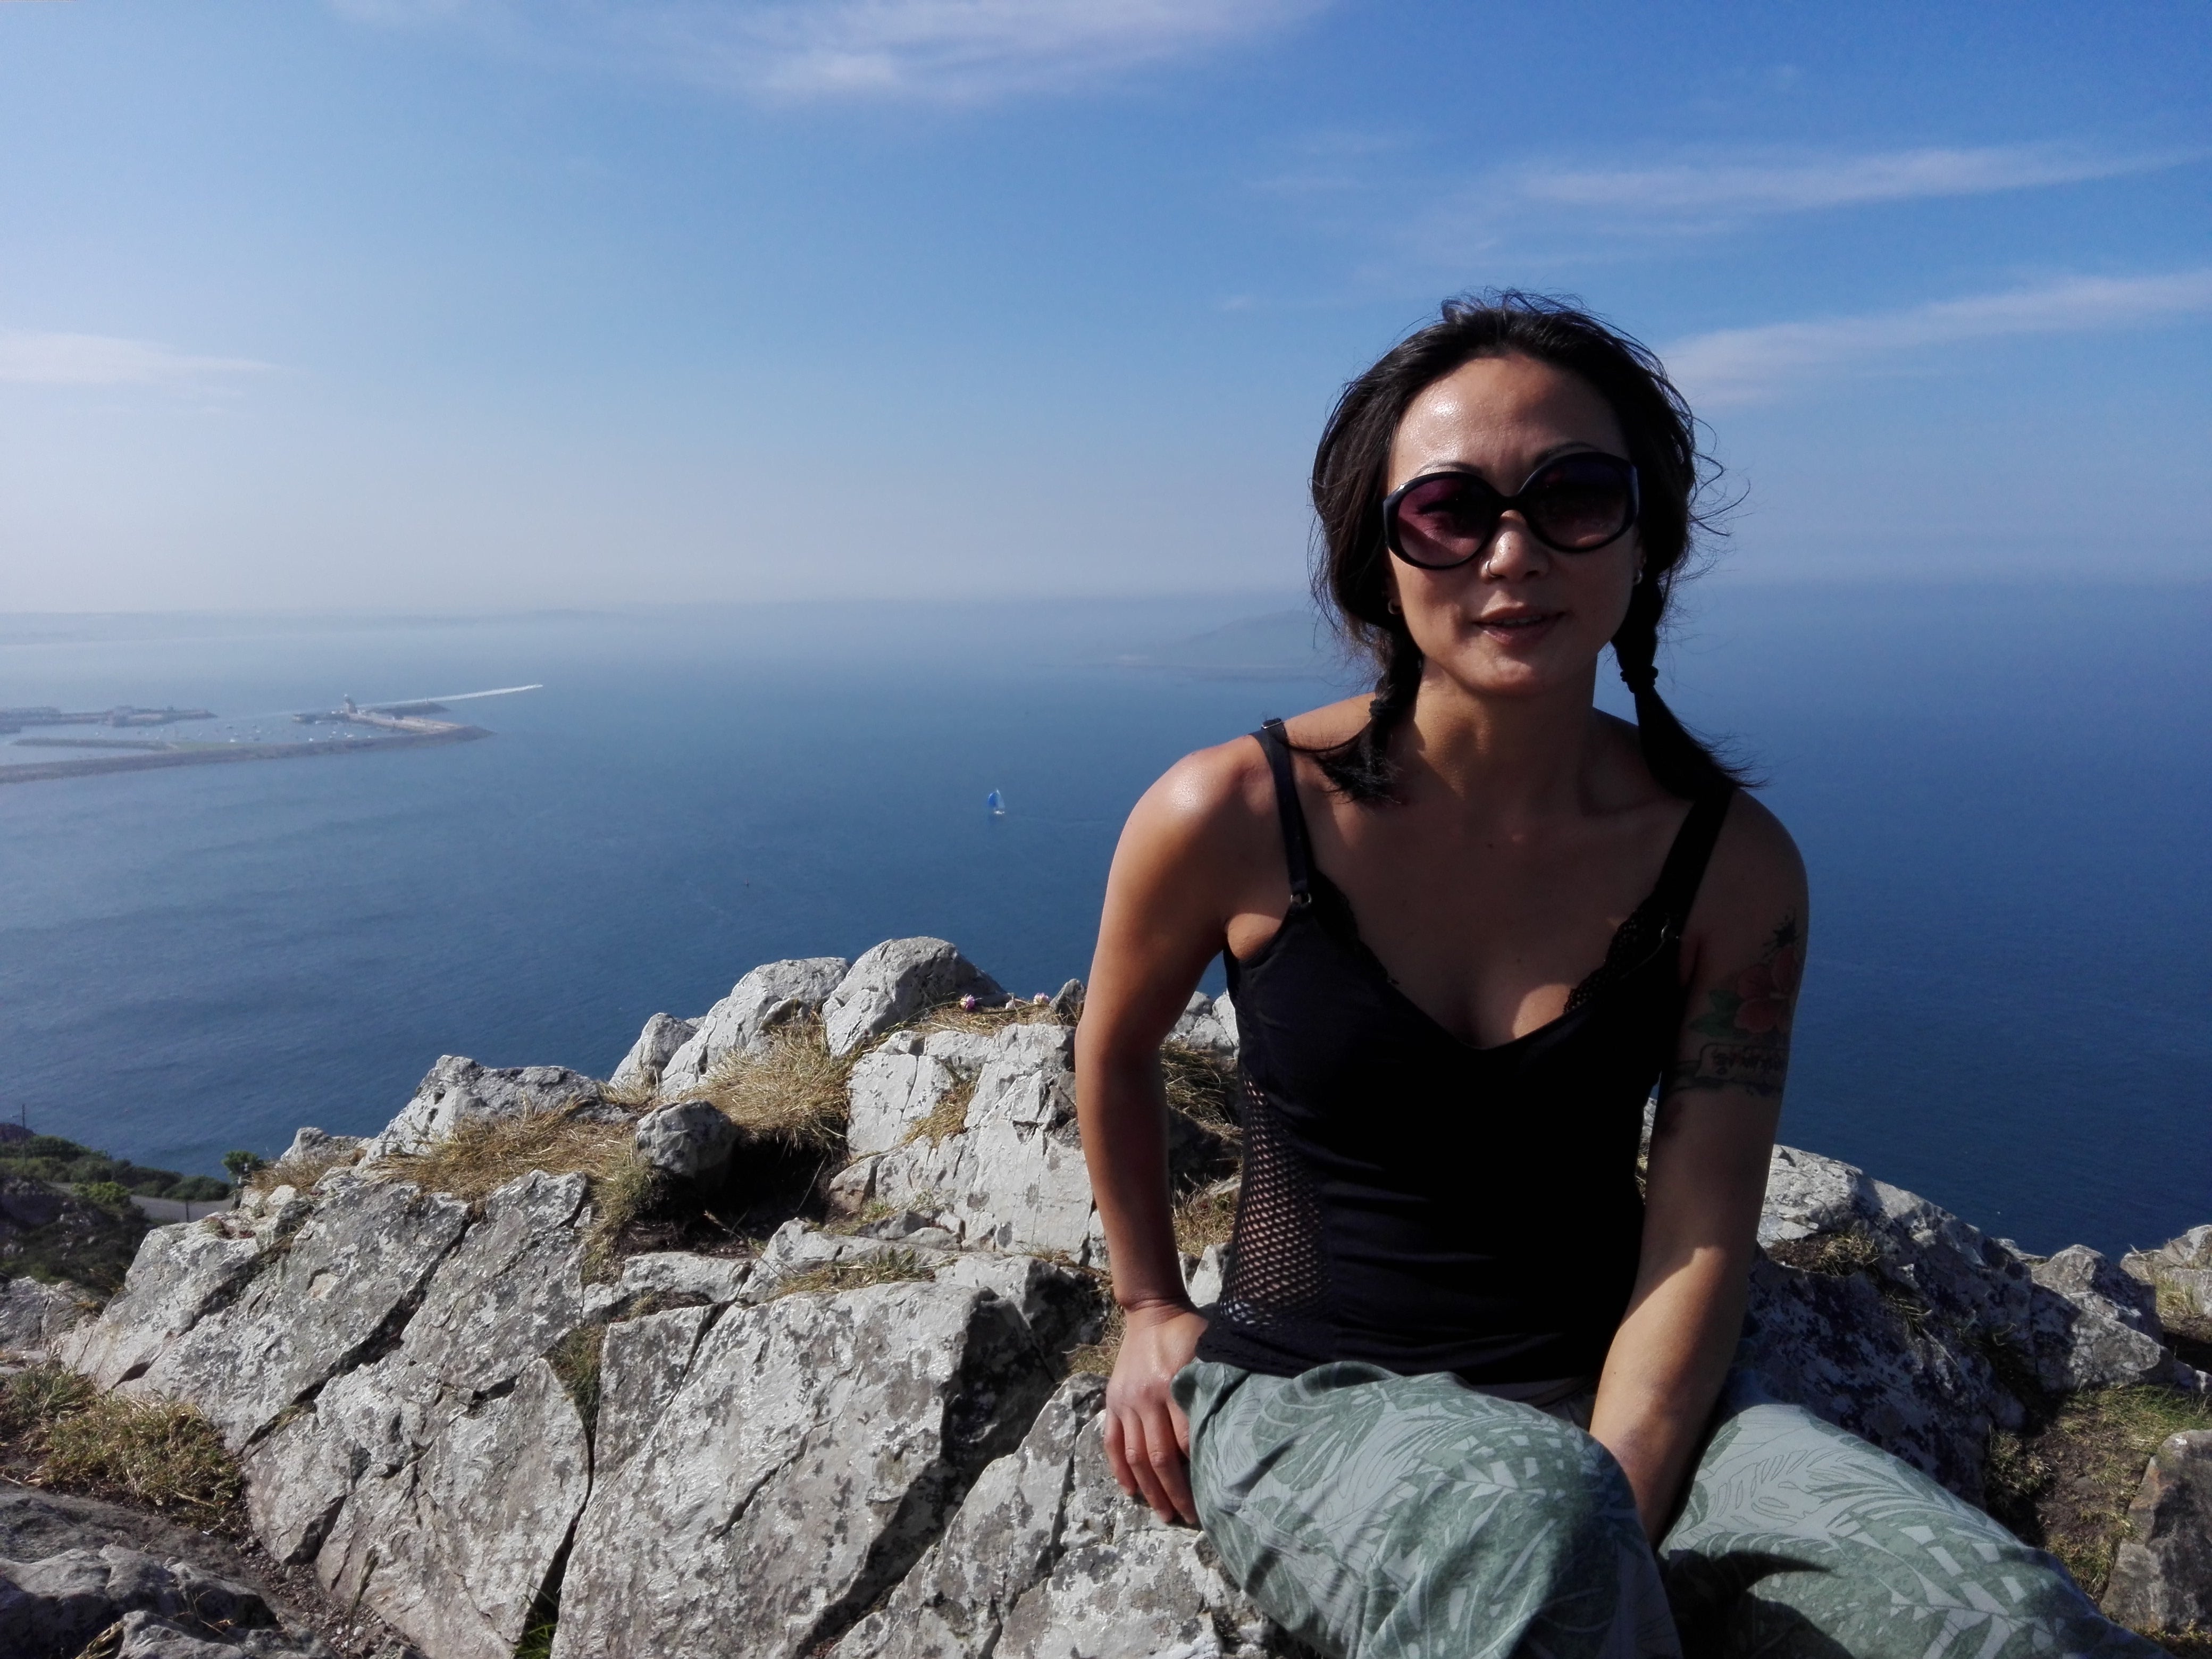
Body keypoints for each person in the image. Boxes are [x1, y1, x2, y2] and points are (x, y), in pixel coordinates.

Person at [1074, 294, 2156, 1658]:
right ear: (1380, 553)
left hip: (1625, 1402)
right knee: (1538, 1524)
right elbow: (1112, 1050)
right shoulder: (1229, 812)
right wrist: (1149, 1305)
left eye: (1574, 495)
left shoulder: (1726, 867)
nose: (1511, 552)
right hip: (1308, 1391)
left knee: (1999, 1625)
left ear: (1647, 540)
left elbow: (1701, 1226)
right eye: (1449, 512)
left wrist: (1623, 1501)